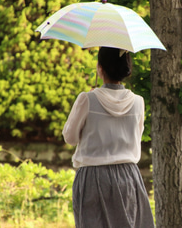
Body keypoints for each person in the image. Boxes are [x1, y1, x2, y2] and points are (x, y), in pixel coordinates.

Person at [62, 47, 155, 228]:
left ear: (100, 68)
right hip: (128, 176)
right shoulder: (138, 102)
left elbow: (70, 138)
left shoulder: (87, 99)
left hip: (93, 177)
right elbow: (136, 136)